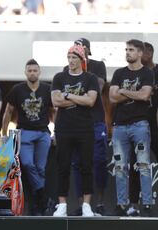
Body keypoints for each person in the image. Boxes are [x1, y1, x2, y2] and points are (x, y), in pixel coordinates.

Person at [51, 45, 99, 217]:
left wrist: (68, 95)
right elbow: (56, 101)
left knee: (86, 166)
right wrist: (81, 98)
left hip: (85, 128)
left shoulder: (90, 78)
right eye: (69, 57)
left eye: (74, 57)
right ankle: (62, 204)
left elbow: (91, 101)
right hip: (64, 128)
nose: (70, 61)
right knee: (63, 166)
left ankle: (86, 205)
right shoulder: (59, 77)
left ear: (81, 59)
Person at [2, 59, 53, 215]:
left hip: (43, 132)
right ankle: (43, 196)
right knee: (28, 164)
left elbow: (55, 111)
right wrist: (4, 134)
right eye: (29, 70)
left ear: (39, 72)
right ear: (25, 72)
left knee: (41, 169)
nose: (32, 73)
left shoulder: (47, 89)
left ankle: (38, 206)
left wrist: (55, 130)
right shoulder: (17, 89)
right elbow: (8, 112)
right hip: (24, 132)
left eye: (35, 70)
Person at [109, 39, 153, 217]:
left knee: (143, 165)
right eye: (126, 49)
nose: (127, 52)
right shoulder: (119, 73)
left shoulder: (147, 73)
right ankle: (121, 204)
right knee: (119, 167)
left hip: (140, 125)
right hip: (120, 126)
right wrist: (132, 94)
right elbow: (112, 98)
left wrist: (123, 92)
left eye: (131, 50)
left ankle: (147, 204)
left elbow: (145, 95)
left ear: (140, 53)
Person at [65, 38, 109, 216]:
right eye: (74, 50)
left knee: (98, 161)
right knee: (76, 164)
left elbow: (95, 91)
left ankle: (99, 202)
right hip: (75, 121)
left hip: (96, 120)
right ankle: (81, 204)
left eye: (80, 49)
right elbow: (60, 97)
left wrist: (73, 95)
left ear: (87, 51)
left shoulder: (98, 66)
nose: (76, 52)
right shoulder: (65, 70)